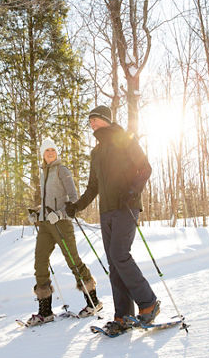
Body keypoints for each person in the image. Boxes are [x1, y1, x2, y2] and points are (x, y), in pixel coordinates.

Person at [65, 106, 159, 336]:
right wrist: (77, 206)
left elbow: (145, 168)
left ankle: (148, 302)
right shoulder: (96, 153)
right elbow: (93, 187)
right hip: (106, 211)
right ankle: (123, 315)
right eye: (90, 121)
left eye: (95, 119)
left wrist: (133, 191)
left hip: (126, 206)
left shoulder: (124, 139)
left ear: (106, 120)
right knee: (113, 264)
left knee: (120, 255)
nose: (92, 124)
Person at [26, 137, 102, 327]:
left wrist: (59, 214)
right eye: (46, 151)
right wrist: (38, 212)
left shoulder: (62, 170)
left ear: (56, 153)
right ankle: (45, 311)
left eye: (53, 150)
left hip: (62, 224)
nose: (50, 153)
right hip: (45, 225)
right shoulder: (43, 172)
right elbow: (49, 200)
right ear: (42, 154)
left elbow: (74, 199)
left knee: (73, 261)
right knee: (40, 262)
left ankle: (93, 302)